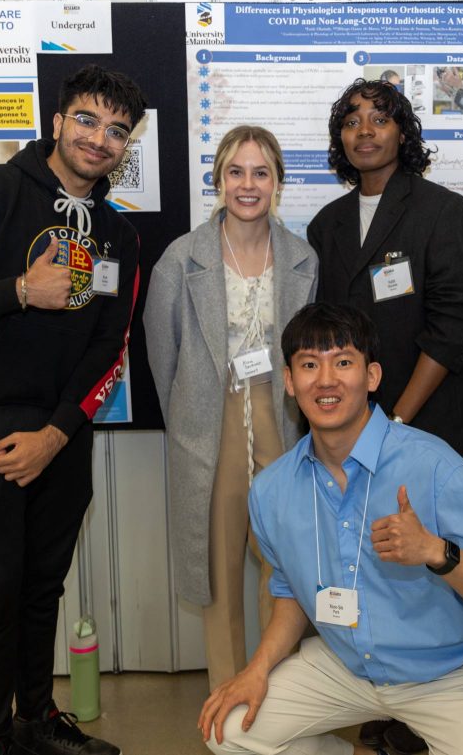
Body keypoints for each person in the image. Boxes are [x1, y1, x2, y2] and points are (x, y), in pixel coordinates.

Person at [0, 64, 148, 755]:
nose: (100, 139)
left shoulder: (119, 237)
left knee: (43, 588)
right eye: (88, 120)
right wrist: (17, 290)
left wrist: (56, 433)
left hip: (62, 430)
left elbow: (110, 345)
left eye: (117, 130)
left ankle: (36, 722)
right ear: (59, 120)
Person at [199, 302, 463, 755]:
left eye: (343, 362)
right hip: (347, 666)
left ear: (372, 377)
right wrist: (257, 668)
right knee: (230, 731)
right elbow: (289, 594)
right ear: (288, 382)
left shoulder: (433, 466)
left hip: (450, 671)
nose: (325, 380)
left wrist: (437, 553)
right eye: (308, 365)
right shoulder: (273, 491)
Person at [307, 78, 463, 753]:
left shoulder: (439, 207)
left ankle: (442, 708)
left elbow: (450, 326)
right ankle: (387, 706)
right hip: (350, 434)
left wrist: (397, 421)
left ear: (403, 132)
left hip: (426, 422)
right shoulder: (326, 224)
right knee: (375, 568)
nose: (365, 130)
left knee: (436, 574)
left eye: (380, 118)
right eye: (351, 120)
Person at [145, 125, 318, 690]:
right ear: (218, 180)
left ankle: (281, 696)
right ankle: (228, 705)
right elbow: (162, 354)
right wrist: (190, 425)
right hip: (209, 427)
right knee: (217, 574)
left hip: (283, 423)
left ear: (279, 184)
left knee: (284, 569)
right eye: (236, 172)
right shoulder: (181, 259)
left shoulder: (302, 259)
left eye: (261, 172)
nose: (248, 184)